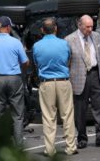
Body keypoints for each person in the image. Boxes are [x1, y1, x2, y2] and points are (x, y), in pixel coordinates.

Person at [65, 14, 100, 149]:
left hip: (95, 74)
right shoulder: (69, 40)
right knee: (80, 110)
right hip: (78, 78)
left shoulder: (96, 36)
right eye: (87, 27)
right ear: (79, 25)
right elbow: (66, 62)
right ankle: (82, 138)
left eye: (91, 26)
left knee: (99, 107)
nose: (90, 29)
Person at [33, 18, 78, 156]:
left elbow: (36, 63)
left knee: (48, 117)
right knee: (67, 116)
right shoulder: (64, 44)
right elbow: (69, 60)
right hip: (63, 81)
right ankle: (71, 147)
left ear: (42, 30)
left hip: (46, 83)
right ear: (56, 29)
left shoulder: (37, 46)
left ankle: (50, 149)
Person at [0, 16, 29, 148]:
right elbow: (25, 62)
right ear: (8, 27)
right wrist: (22, 71)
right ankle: (19, 145)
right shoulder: (16, 42)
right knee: (18, 114)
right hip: (14, 78)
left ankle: (0, 144)